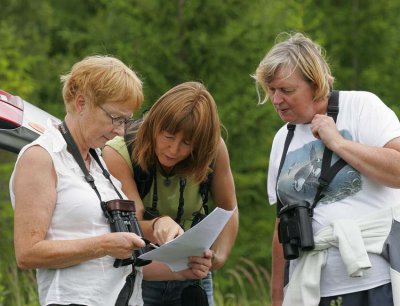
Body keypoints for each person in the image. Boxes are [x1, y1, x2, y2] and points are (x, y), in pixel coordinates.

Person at [9, 55, 212, 306]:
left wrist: (184, 269)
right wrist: (104, 245)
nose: (120, 130)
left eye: (126, 121)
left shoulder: (99, 164)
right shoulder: (42, 157)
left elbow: (121, 264)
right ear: (81, 103)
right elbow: (28, 253)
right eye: (116, 118)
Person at [254, 32, 400, 306]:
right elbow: (281, 227)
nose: (276, 99)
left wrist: (339, 143)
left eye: (286, 90)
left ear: (316, 84)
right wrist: (277, 297)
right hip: (309, 291)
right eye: (271, 90)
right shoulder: (281, 140)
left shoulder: (360, 107)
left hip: (377, 285)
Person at [102, 81, 239, 306]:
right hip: (141, 275)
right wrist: (158, 225)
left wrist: (216, 259)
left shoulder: (213, 149)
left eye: (187, 143)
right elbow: (132, 221)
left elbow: (228, 208)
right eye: (168, 136)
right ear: (154, 125)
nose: (174, 150)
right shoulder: (119, 150)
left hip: (194, 278)